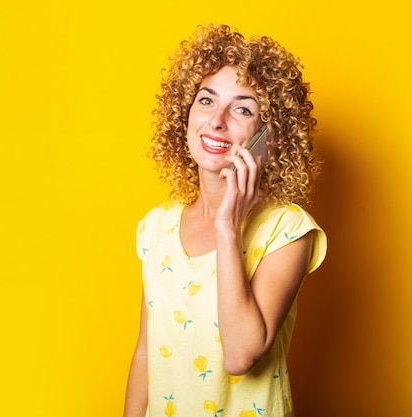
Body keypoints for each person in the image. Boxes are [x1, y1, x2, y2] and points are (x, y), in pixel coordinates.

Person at [124, 23, 327, 417]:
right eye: (205, 100)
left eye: (242, 109)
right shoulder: (156, 228)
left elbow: (240, 355)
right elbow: (145, 353)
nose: (216, 121)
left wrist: (227, 229)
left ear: (270, 136)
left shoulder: (288, 231)